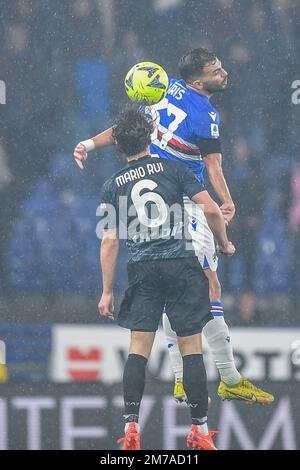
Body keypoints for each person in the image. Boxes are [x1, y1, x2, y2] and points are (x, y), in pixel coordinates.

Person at [73, 47, 274, 405]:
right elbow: (213, 168)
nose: (224, 72)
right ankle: (226, 377)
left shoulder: (165, 89)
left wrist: (89, 143)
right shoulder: (206, 116)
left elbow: (126, 129)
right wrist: (227, 201)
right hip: (183, 198)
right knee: (206, 284)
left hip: (154, 200)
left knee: (176, 286)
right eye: (216, 70)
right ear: (199, 80)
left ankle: (185, 380)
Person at [98, 105, 234, 450]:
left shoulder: (113, 185)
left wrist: (106, 291)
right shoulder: (173, 169)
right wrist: (223, 242)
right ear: (152, 137)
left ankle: (131, 427)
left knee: (138, 350)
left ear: (117, 145)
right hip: (181, 265)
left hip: (143, 269)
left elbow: (111, 241)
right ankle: (200, 432)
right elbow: (210, 208)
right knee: (191, 349)